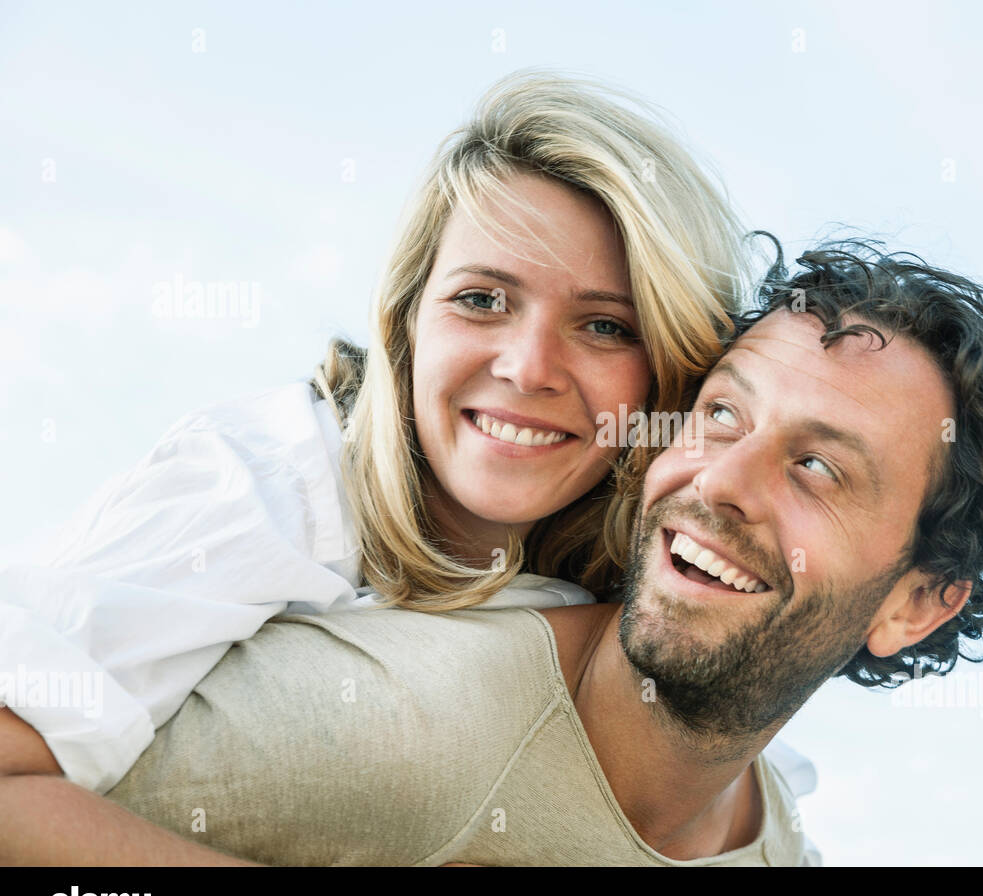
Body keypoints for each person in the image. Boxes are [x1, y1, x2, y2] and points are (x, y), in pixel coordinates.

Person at [0, 239, 983, 865]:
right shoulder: (403, 723)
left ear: (915, 601)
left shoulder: (778, 847)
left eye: (818, 468)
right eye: (721, 416)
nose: (717, 479)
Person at [0, 68, 810, 797]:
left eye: (603, 326)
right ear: (404, 324)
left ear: (668, 374)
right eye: (483, 300)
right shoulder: (265, 479)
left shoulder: (650, 595)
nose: (530, 370)